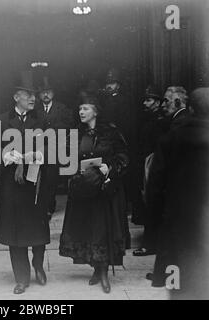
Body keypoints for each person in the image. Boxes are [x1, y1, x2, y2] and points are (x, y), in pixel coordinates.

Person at [146, 87, 209, 298]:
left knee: (176, 286)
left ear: (190, 108)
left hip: (176, 228)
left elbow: (154, 185)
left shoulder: (170, 138)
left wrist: (157, 219)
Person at [0, 82, 50, 295]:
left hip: (35, 181)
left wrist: (37, 155)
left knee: (38, 227)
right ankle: (21, 277)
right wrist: (4, 156)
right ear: (16, 97)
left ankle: (38, 265)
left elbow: (50, 147)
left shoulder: (41, 120)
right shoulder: (1, 120)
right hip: (11, 183)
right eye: (28, 94)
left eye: (34, 95)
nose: (33, 98)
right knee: (15, 230)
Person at [59, 96, 129, 294]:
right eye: (80, 108)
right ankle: (96, 269)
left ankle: (104, 271)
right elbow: (65, 158)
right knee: (88, 228)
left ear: (96, 111)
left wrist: (111, 167)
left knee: (103, 229)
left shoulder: (111, 132)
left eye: (86, 108)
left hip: (103, 190)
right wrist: (73, 170)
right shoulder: (75, 133)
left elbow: (123, 156)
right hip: (83, 188)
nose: (81, 112)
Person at [132, 85, 168, 256]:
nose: (145, 103)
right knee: (149, 204)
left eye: (149, 100)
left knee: (153, 204)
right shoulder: (148, 119)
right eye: (145, 99)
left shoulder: (160, 122)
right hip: (146, 165)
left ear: (158, 102)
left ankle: (150, 243)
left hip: (153, 166)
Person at [100, 67, 133, 249]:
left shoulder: (123, 101)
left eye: (112, 83)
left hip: (117, 143)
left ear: (118, 84)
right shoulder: (104, 100)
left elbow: (125, 124)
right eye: (108, 83)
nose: (109, 86)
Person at [35, 76, 73, 220]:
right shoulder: (35, 109)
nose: (46, 94)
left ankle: (49, 207)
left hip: (55, 149)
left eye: (48, 92)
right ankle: (38, 206)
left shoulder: (62, 108)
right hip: (38, 149)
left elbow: (67, 127)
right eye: (43, 92)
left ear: (53, 94)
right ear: (39, 94)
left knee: (51, 179)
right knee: (38, 177)